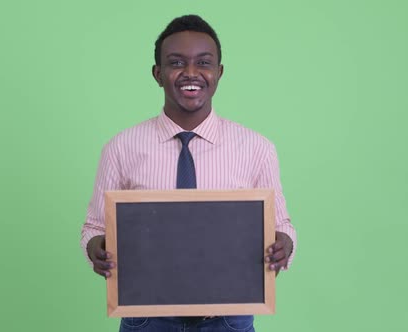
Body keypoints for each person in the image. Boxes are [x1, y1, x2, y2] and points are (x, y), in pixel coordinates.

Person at [81, 14, 297, 332]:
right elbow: (94, 228)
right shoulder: (121, 147)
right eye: (177, 63)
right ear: (158, 74)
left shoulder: (256, 148)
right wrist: (96, 248)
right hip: (147, 318)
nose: (191, 73)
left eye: (204, 63)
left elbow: (282, 226)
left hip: (228, 318)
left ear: (219, 73)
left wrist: (284, 245)